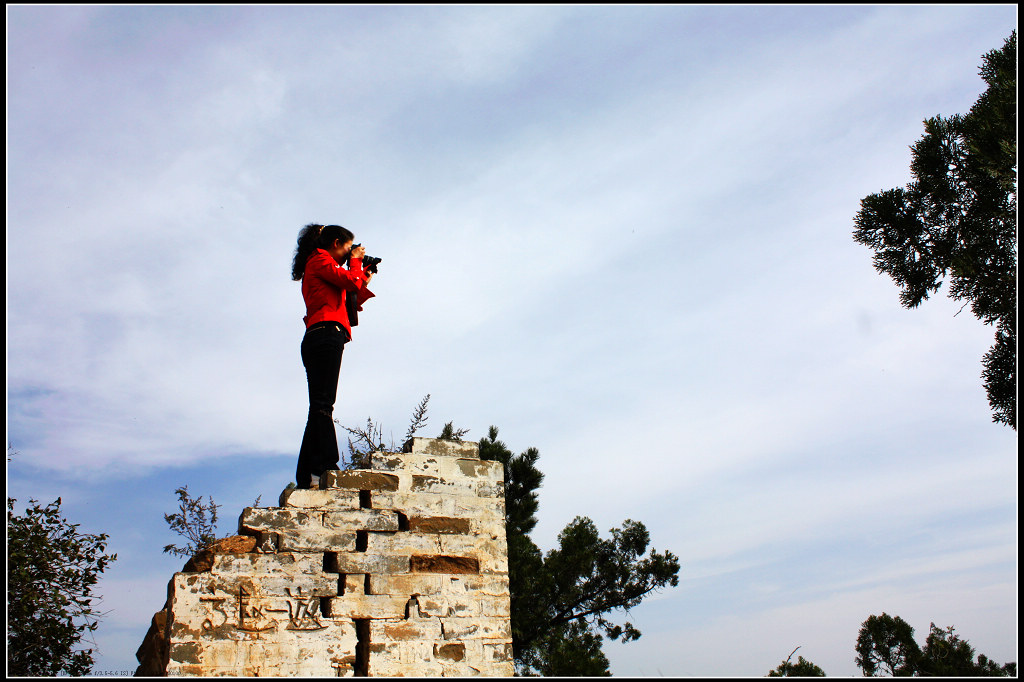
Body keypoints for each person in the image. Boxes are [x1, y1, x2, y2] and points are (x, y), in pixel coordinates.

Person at [290, 223, 375, 489]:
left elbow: (346, 299)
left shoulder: (322, 266)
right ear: (336, 242)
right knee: (323, 406)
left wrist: (362, 277)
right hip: (325, 334)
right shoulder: (319, 260)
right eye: (349, 248)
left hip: (323, 334)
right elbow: (348, 280)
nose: (351, 253)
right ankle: (325, 467)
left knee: (319, 407)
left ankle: (308, 474)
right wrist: (356, 265)